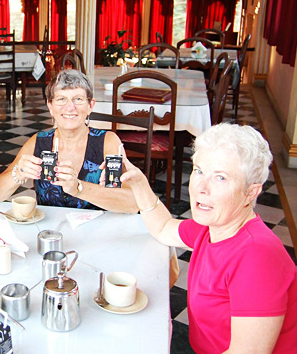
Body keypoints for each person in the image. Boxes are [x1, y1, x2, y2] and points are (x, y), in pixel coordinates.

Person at [118, 123, 297, 353]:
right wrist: (139, 183)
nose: (201, 187)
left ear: (250, 192)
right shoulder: (212, 227)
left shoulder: (257, 257)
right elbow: (163, 227)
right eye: (198, 171)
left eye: (220, 178)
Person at [0, 69, 137, 213]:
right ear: (50, 107)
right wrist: (18, 174)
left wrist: (78, 188)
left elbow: (132, 204)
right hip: (50, 234)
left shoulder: (107, 143)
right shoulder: (39, 142)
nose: (70, 107)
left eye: (78, 99)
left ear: (90, 105)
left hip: (97, 234)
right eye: (61, 99)